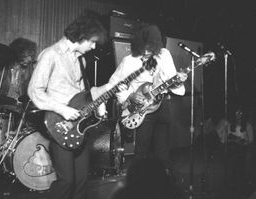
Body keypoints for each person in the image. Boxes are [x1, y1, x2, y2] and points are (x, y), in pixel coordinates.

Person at [27, 12, 108, 199]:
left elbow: (81, 95)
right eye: (92, 42)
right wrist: (61, 109)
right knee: (66, 181)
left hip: (78, 125)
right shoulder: (51, 54)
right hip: (58, 123)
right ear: (82, 36)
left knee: (81, 180)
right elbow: (34, 91)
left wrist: (97, 104)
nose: (94, 46)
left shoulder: (81, 59)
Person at [104, 24, 188, 170]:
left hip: (162, 105)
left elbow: (172, 82)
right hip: (141, 110)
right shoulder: (129, 61)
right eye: (145, 47)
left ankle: (163, 186)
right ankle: (140, 187)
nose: (148, 51)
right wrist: (130, 96)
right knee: (142, 153)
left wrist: (177, 81)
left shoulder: (164, 55)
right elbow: (114, 84)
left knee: (163, 154)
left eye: (152, 47)